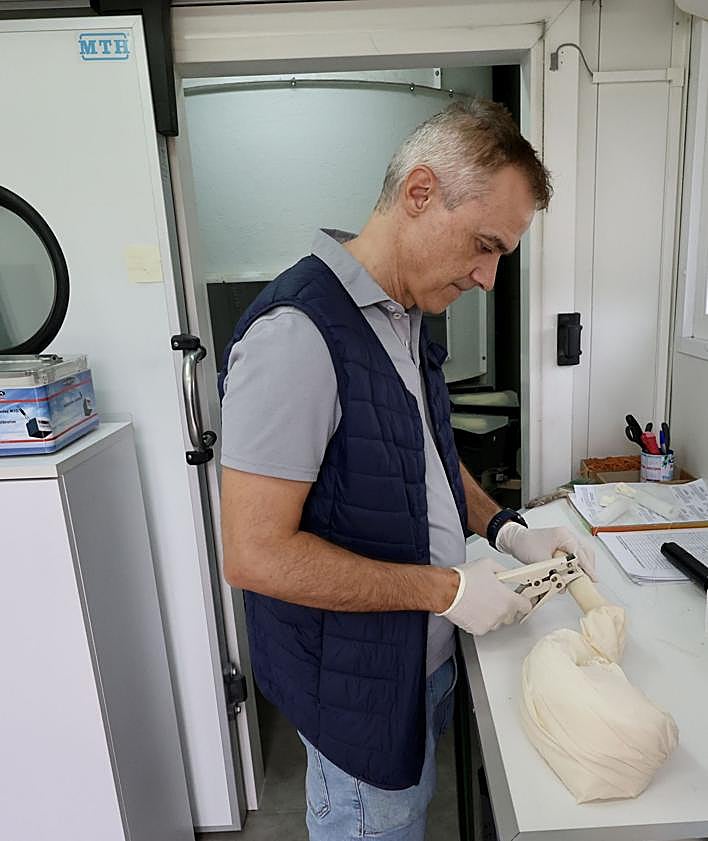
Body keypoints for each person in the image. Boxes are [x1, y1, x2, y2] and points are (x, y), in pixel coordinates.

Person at [218, 99, 596, 841]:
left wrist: (505, 527)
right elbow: (254, 554)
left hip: (420, 662)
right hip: (356, 690)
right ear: (420, 192)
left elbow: (427, 450)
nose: (488, 277)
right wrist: (445, 589)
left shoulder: (404, 314)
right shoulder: (297, 334)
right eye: (484, 245)